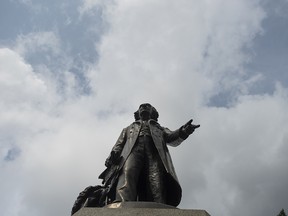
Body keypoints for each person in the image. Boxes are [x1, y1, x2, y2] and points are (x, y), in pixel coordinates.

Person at [104, 103, 200, 207]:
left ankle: (158, 205)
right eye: (141, 107)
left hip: (154, 153)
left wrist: (184, 131)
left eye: (147, 106)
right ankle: (122, 202)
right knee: (128, 172)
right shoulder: (128, 128)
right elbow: (119, 144)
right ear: (138, 113)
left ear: (153, 112)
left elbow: (171, 137)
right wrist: (113, 154)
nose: (144, 107)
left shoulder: (159, 128)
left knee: (156, 178)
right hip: (133, 152)